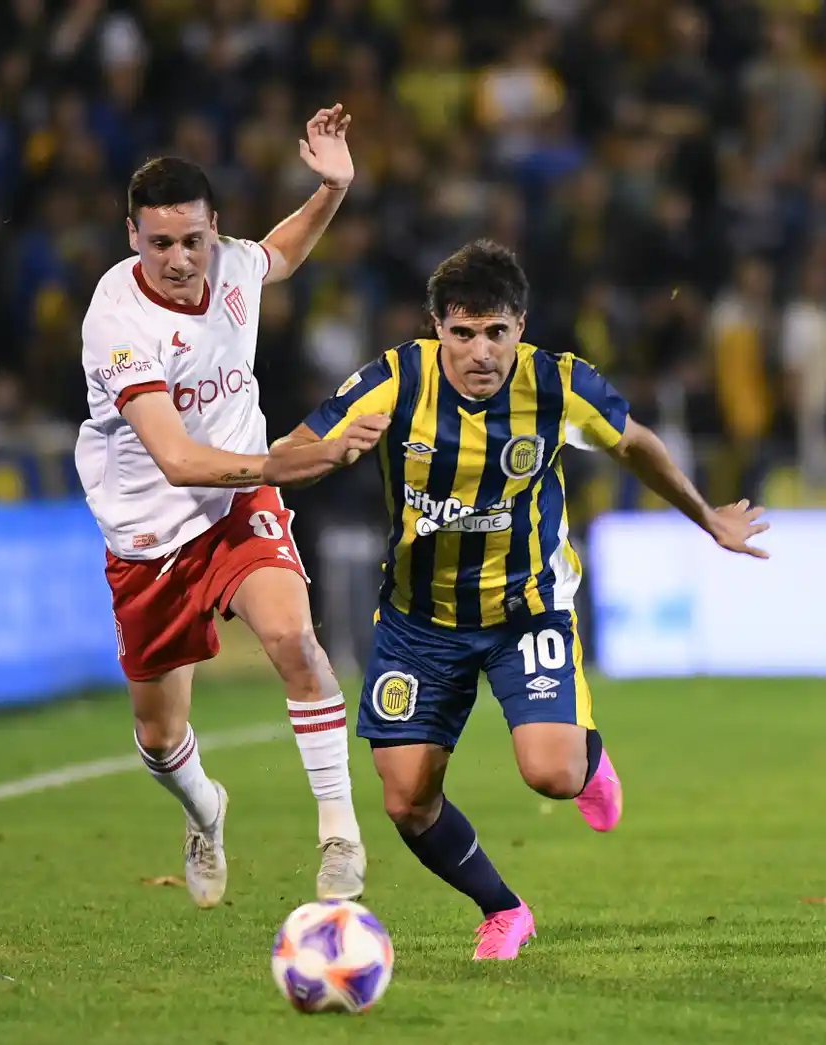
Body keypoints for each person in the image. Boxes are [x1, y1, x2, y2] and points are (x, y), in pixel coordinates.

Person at [268, 240, 769, 959]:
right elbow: (284, 454)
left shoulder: (557, 384)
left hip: (524, 608)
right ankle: (503, 909)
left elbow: (637, 445)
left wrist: (706, 516)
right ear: (436, 326)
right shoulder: (390, 381)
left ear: (520, 327)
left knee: (553, 772)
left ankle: (588, 755)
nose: (480, 352)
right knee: (407, 800)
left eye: (496, 332)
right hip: (421, 618)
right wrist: (334, 450)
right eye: (462, 332)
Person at [76, 105, 389, 910]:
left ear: (214, 229)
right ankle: (207, 811)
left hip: (237, 505)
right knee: (157, 735)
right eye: (159, 243)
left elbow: (277, 254)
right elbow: (177, 458)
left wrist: (332, 191)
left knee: (293, 636)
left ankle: (340, 835)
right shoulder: (118, 323)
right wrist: (290, 459)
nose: (180, 260)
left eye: (193, 240)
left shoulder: (233, 267)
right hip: (150, 533)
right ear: (131, 237)